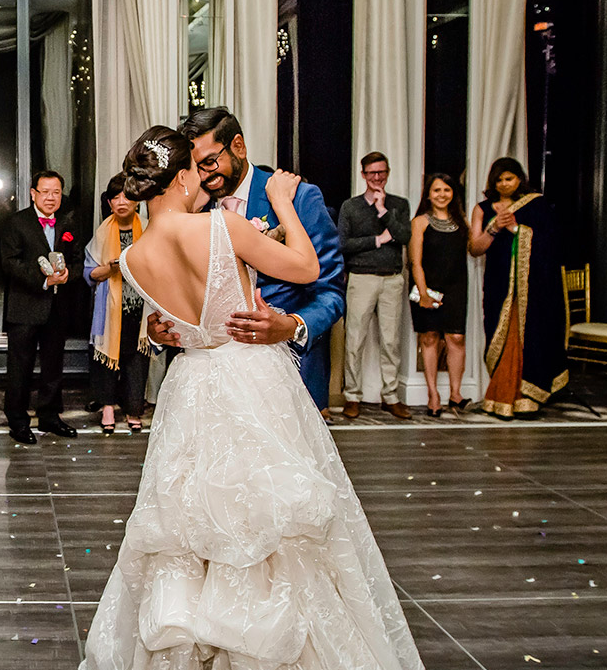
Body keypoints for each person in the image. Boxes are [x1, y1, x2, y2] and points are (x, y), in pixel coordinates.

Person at [78, 126, 443, 670]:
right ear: (185, 171)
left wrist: (172, 331)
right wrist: (278, 199)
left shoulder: (132, 257)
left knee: (195, 536)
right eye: (198, 165)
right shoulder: (218, 225)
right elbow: (304, 268)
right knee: (277, 541)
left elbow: (180, 326)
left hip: (192, 389)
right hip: (251, 383)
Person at [167, 107, 345, 419]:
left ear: (238, 145)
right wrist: (166, 327)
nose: (205, 176)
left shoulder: (299, 198)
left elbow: (331, 291)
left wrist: (291, 326)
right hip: (215, 381)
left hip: (289, 375)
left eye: (210, 162)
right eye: (197, 168)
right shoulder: (193, 209)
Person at [468, 157, 567, 419]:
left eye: (509, 178)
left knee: (528, 335)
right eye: (499, 179)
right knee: (498, 332)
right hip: (499, 283)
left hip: (532, 287)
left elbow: (551, 242)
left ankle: (524, 397)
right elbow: (474, 248)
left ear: (520, 179)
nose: (504, 184)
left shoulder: (536, 205)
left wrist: (517, 229)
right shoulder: (483, 208)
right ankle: (500, 396)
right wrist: (494, 228)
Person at [0, 170, 80, 445]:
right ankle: (18, 421)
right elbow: (9, 263)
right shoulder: (16, 222)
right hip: (25, 306)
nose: (51, 197)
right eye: (45, 192)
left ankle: (49, 416)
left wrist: (70, 274)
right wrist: (43, 279)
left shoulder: (69, 221)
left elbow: (78, 259)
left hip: (58, 306)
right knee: (19, 367)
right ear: (33, 193)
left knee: (53, 366)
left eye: (56, 192)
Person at [334, 152, 412, 420]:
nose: (377, 178)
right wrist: (378, 240)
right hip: (361, 277)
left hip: (392, 278)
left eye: (381, 173)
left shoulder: (399, 205)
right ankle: (352, 396)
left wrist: (382, 211)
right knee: (355, 339)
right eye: (372, 173)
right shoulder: (350, 207)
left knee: (391, 340)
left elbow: (403, 236)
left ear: (388, 173)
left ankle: (390, 396)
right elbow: (343, 244)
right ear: (363, 174)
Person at [85, 175, 148, 436]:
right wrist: (111, 268)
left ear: (137, 201)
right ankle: (108, 407)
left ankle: (133, 409)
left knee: (137, 358)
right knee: (105, 358)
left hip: (142, 306)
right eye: (116, 197)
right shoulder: (101, 233)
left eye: (127, 196)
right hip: (110, 308)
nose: (121, 202)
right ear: (109, 203)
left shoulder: (149, 229)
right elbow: (90, 274)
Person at [408, 173, 468, 418]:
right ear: (428, 194)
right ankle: (433, 395)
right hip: (427, 286)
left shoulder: (461, 221)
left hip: (456, 287)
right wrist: (423, 293)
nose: (442, 194)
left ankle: (456, 394)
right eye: (437, 190)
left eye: (447, 190)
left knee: (456, 338)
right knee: (430, 338)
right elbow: (415, 262)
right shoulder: (420, 222)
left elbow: (474, 250)